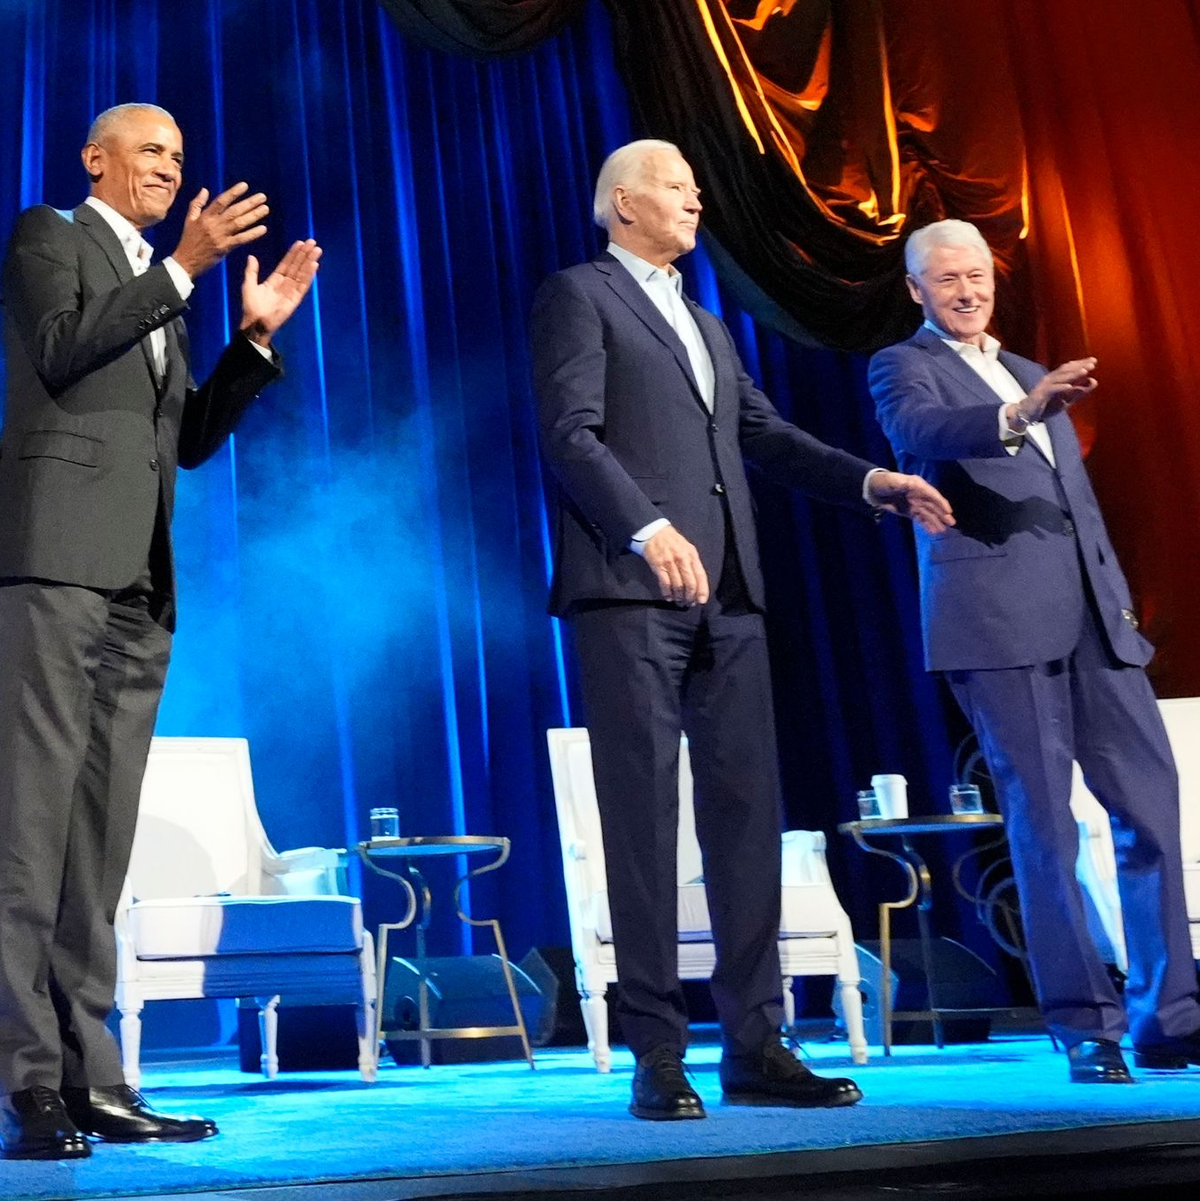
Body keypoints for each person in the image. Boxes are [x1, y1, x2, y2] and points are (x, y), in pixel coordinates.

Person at [530, 139, 954, 1120]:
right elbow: (569, 434)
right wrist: (646, 528)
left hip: (731, 595)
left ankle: (757, 1044)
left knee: (746, 816)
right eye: (677, 186)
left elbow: (761, 434)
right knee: (642, 819)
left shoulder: (708, 323)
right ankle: (657, 1051)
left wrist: (870, 481)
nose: (696, 199)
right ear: (623, 204)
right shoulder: (580, 295)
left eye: (695, 185)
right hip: (631, 593)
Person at [0, 103, 321, 1160]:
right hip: (55, 567)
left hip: (140, 586)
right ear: (96, 159)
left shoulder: (160, 286)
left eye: (179, 157)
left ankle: (93, 1076)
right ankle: (26, 1081)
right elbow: (59, 350)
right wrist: (182, 268)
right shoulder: (51, 235)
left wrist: (253, 341)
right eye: (150, 151)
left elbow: (182, 440)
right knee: (29, 833)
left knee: (97, 845)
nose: (170, 168)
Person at [869, 217, 1200, 1084]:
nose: (967, 291)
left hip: (1096, 623)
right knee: (1045, 824)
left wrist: (1118, 605)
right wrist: (1019, 413)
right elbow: (924, 432)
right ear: (916, 289)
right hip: (999, 625)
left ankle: (1169, 1015)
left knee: (1152, 809)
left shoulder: (1024, 367)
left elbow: (1077, 509)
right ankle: (1084, 1023)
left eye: (977, 275)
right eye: (947, 279)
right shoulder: (904, 366)